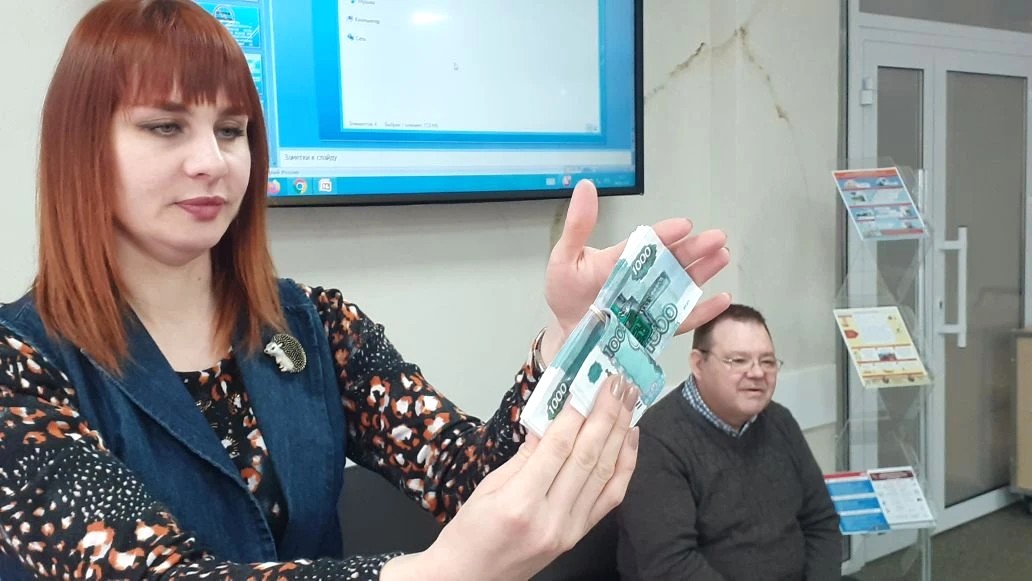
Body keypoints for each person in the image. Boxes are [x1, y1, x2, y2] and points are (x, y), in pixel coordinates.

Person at [0, 1, 732, 579]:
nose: (211, 162)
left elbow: (466, 476)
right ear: (82, 148)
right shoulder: (21, 365)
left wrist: (571, 337)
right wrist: (435, 572)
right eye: (165, 127)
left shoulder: (313, 325)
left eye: (231, 130)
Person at [616, 304, 841, 581]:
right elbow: (671, 565)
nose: (757, 373)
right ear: (698, 364)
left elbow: (821, 521)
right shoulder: (657, 440)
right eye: (739, 360)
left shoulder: (779, 421)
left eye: (767, 361)